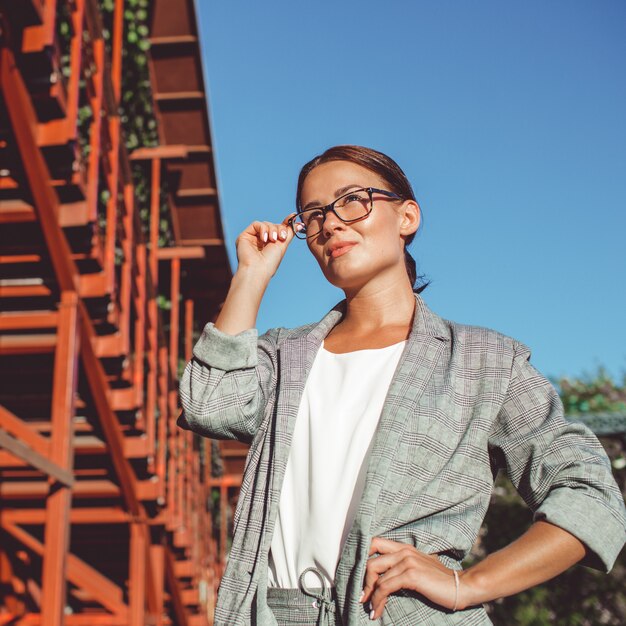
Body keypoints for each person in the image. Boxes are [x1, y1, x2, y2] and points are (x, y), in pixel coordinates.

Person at [178, 145, 626, 625]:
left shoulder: (485, 362)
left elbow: (591, 496)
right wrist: (251, 275)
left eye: (352, 200)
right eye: (312, 215)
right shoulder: (284, 356)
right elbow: (209, 404)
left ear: (407, 216)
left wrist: (468, 584)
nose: (330, 223)